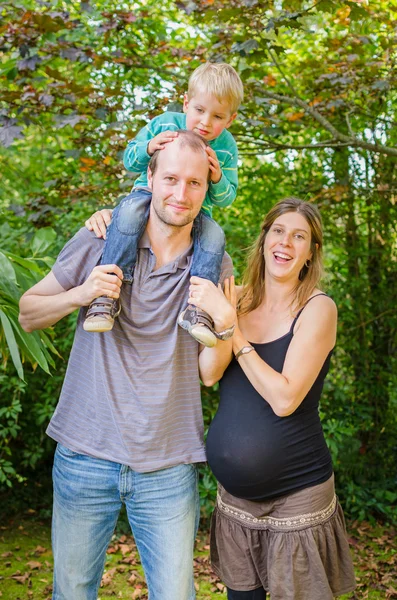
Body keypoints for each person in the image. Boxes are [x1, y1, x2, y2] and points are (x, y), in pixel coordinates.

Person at [18, 131, 236, 600]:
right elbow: (28, 312)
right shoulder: (99, 238)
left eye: (194, 183)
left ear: (206, 189)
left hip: (168, 464)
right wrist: (83, 293)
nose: (181, 194)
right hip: (84, 453)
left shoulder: (214, 263)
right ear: (150, 178)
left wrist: (227, 321)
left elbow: (211, 372)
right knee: (72, 591)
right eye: (172, 179)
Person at [188, 198, 356, 600]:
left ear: (311, 251)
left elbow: (284, 399)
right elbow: (209, 374)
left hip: (297, 498)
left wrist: (234, 331)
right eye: (278, 231)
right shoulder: (238, 297)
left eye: (300, 236)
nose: (286, 243)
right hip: (235, 503)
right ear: (264, 239)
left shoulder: (318, 308)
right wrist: (229, 320)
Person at [83, 61, 243, 348]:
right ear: (186, 103)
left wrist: (217, 178)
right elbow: (130, 160)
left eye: (217, 116)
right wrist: (148, 146)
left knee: (216, 236)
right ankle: (107, 294)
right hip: (148, 197)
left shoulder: (227, 147)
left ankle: (198, 310)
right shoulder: (164, 123)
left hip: (196, 213)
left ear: (230, 120)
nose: (205, 122)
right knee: (128, 213)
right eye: (199, 110)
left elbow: (227, 197)